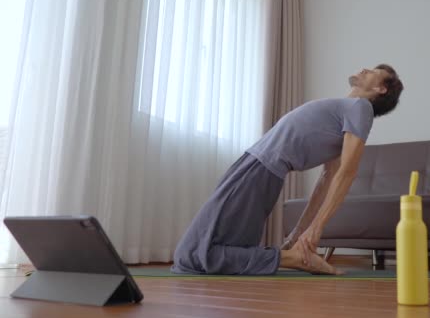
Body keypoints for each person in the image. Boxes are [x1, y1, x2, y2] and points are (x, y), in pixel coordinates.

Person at [171, 64, 404, 275]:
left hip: (259, 169)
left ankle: (291, 259)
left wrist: (315, 229)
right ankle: (292, 255)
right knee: (201, 252)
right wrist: (296, 235)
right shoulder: (346, 110)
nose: (365, 68)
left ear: (381, 89)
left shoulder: (361, 108)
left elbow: (346, 173)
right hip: (255, 166)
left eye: (375, 71)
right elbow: (325, 179)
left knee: (192, 255)